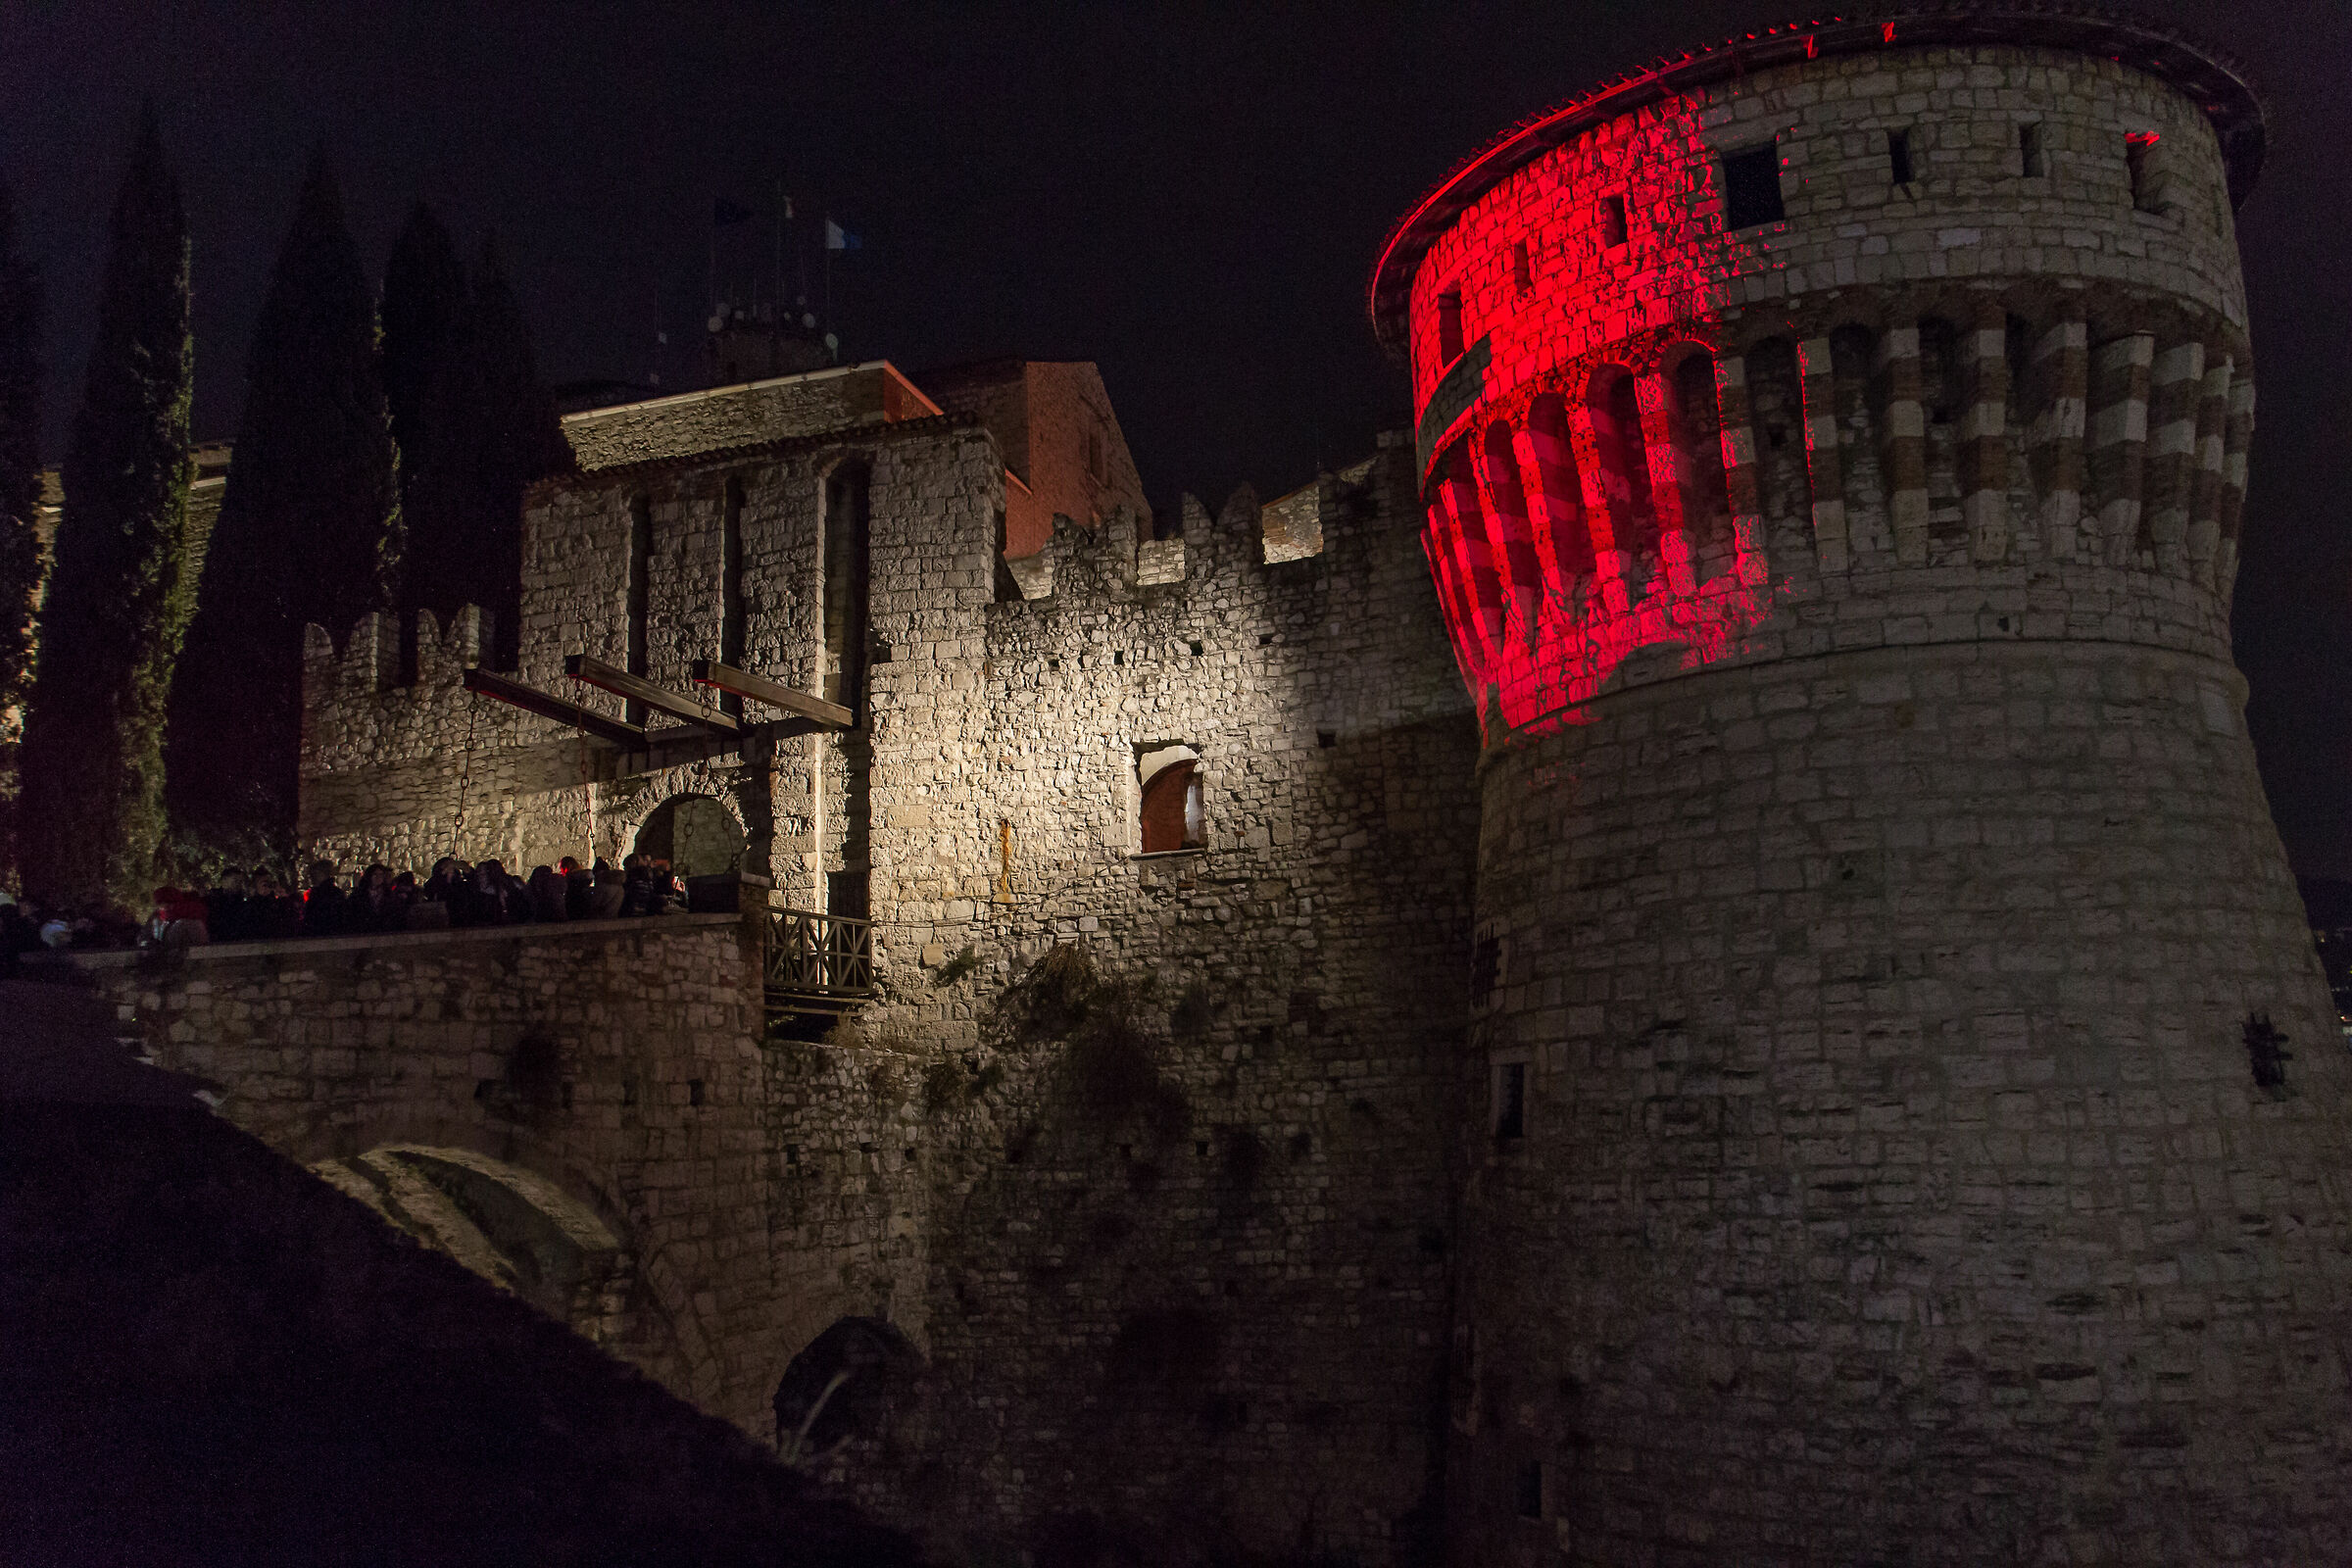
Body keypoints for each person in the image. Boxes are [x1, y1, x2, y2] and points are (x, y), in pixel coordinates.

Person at [303, 860, 348, 937]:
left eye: (314, 874)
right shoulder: (319, 893)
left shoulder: (326, 894)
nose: (311, 877)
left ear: (322, 874)